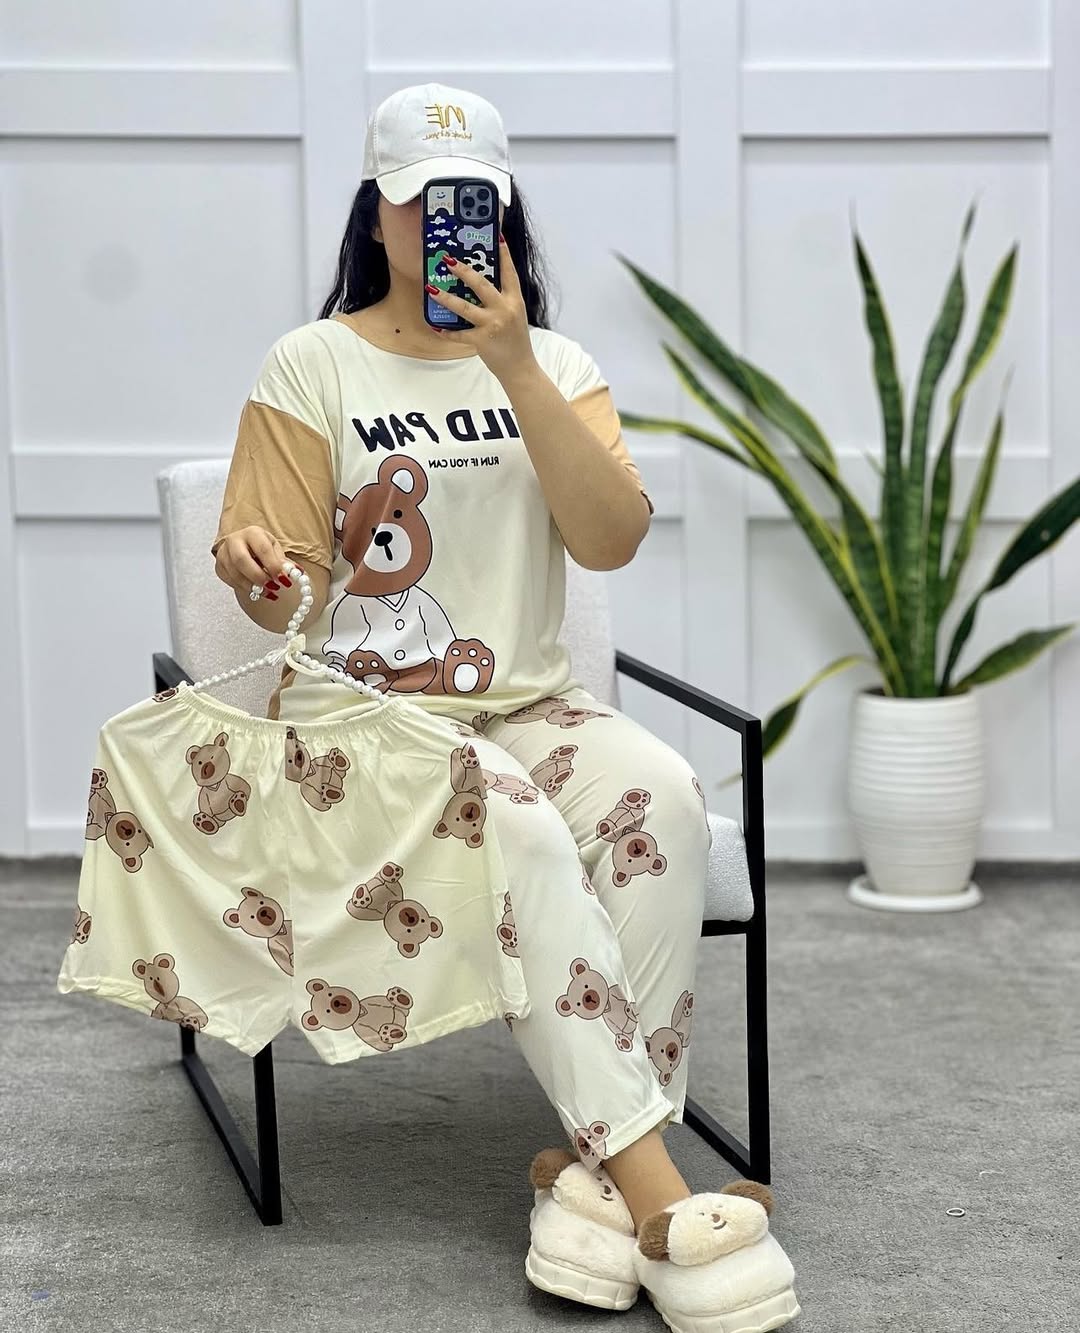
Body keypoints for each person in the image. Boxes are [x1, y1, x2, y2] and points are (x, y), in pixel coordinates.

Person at [208, 82, 798, 1325]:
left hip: (527, 707)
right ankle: (657, 1196)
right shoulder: (312, 363)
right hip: (358, 728)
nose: (441, 225)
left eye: (468, 200)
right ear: (375, 211)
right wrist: (257, 571)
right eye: (418, 202)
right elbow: (280, 593)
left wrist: (517, 364)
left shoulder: (558, 366)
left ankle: (588, 1188)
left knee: (667, 797)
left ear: (503, 207)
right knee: (516, 821)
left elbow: (611, 538)